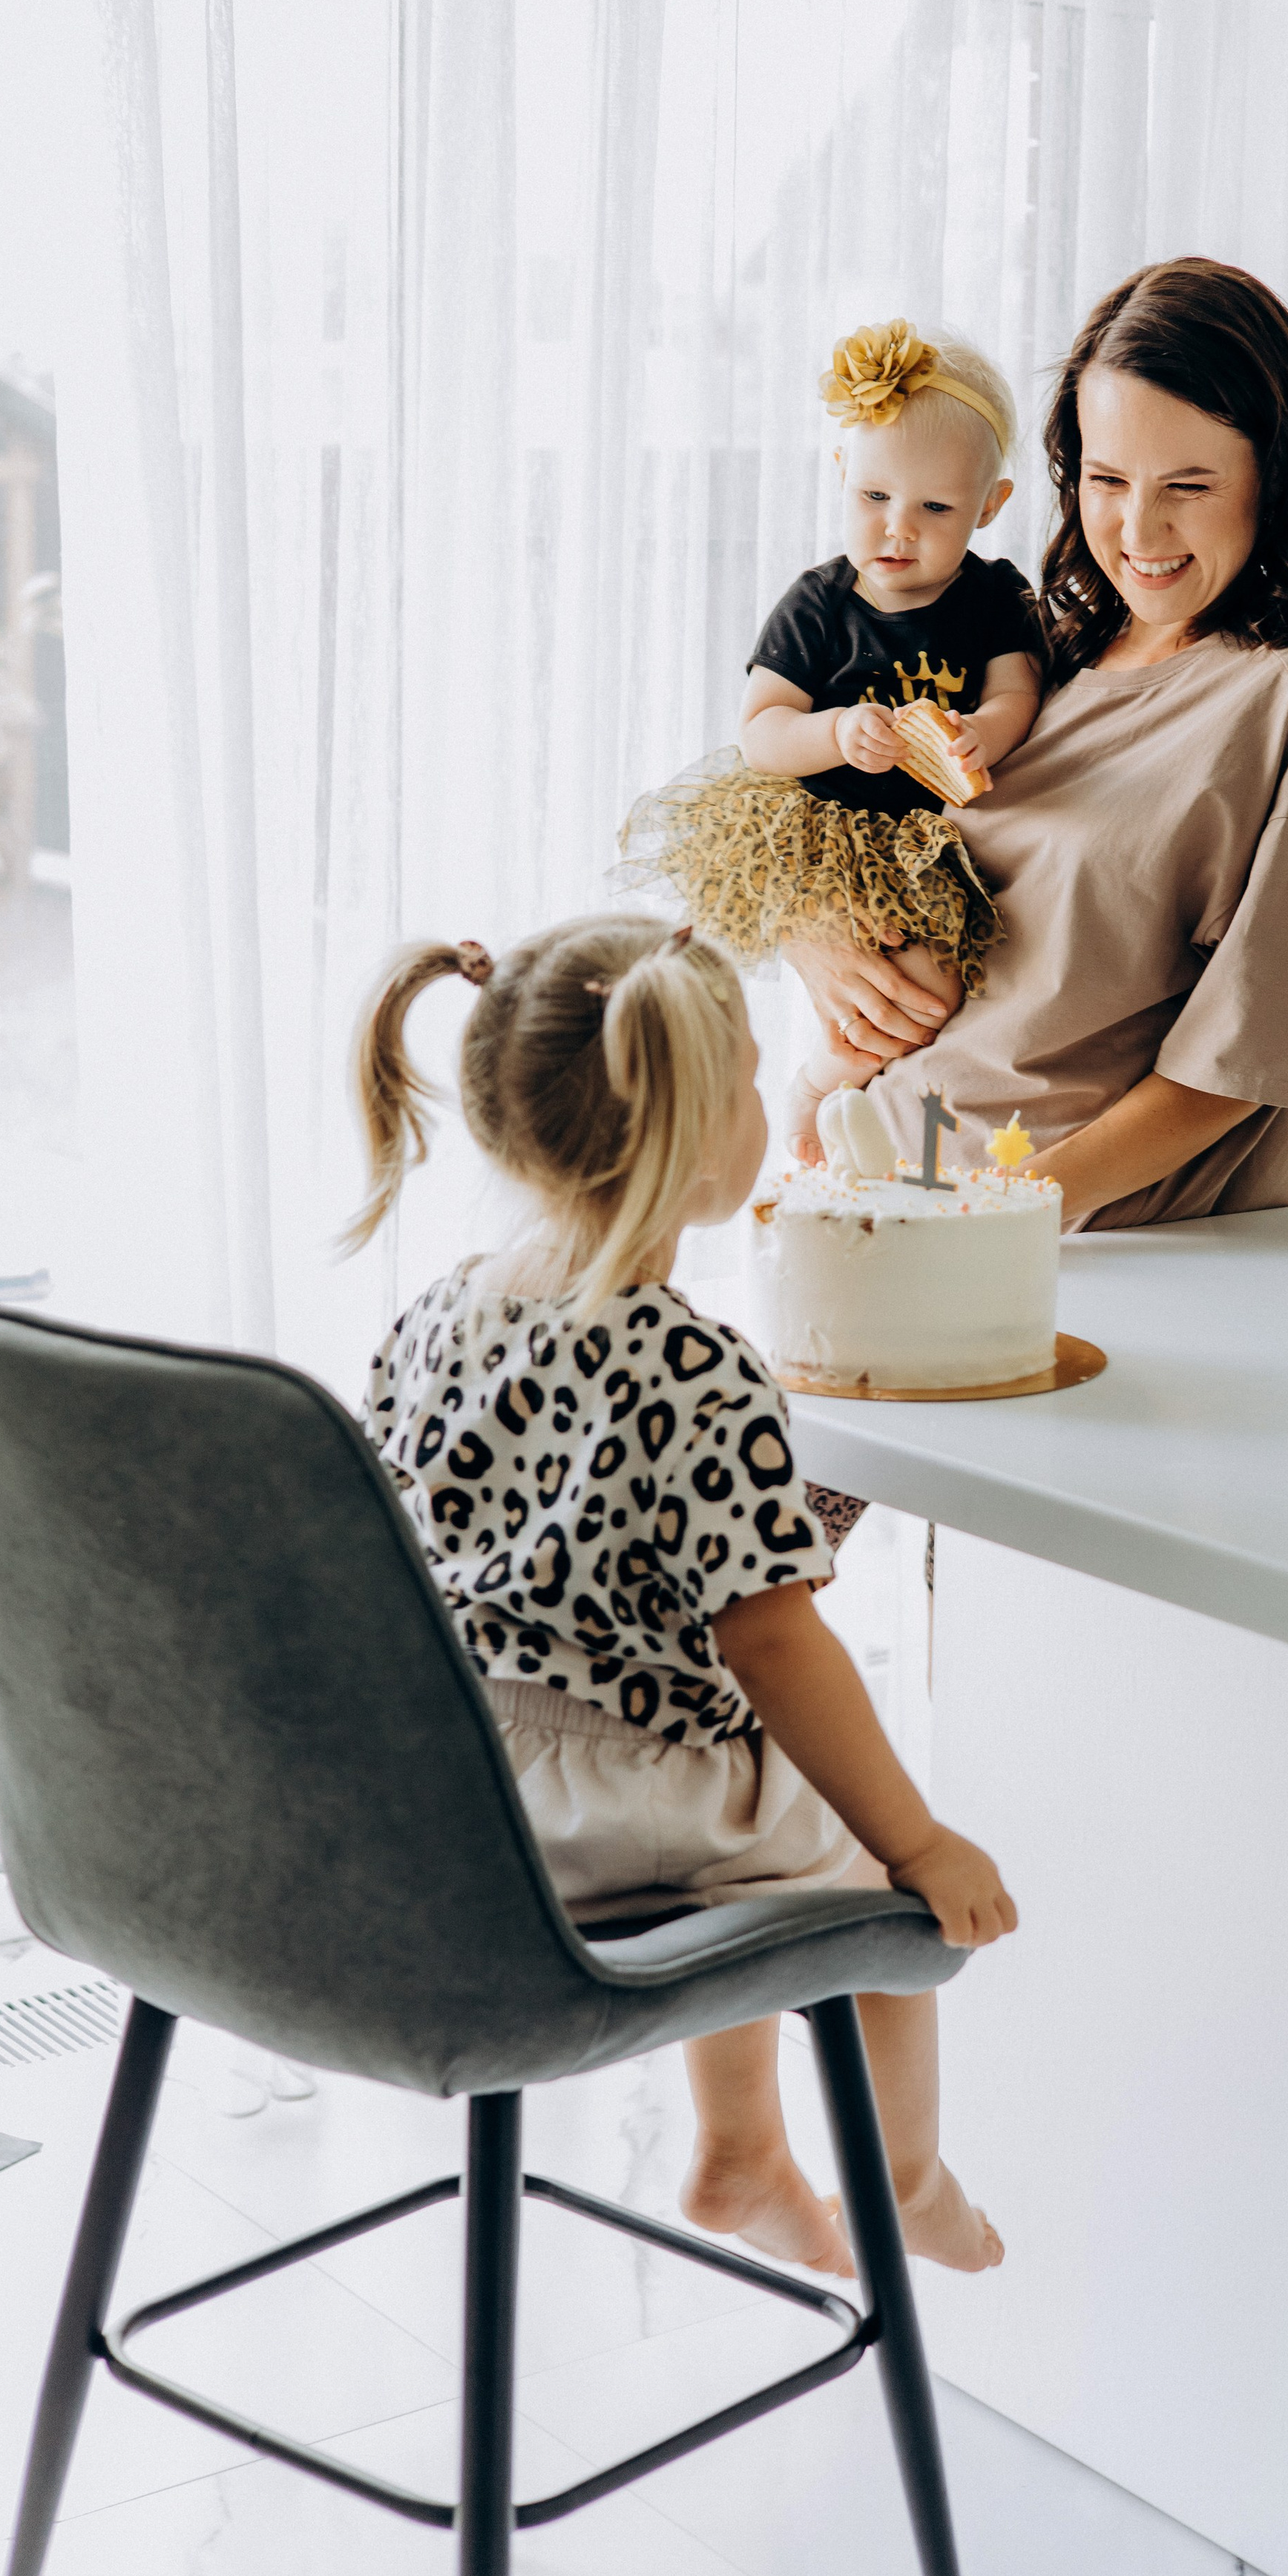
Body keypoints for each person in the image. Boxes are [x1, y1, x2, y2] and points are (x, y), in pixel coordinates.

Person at [342, 913, 1015, 2276]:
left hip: (460, 1782)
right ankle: (909, 2171)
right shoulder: (697, 1365)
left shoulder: (435, 1315)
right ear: (703, 1134)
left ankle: (744, 2154)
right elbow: (770, 1637)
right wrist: (926, 1841)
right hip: (627, 1800)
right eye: (756, 1080)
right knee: (868, 1888)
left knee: (760, 1802)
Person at [785, 257, 1288, 1228]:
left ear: (1273, 476)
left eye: (1189, 485)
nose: (1138, 529)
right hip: (869, 1191)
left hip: (1078, 1257)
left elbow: (1240, 1066)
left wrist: (1002, 1222)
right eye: (1108, 479)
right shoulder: (1038, 652)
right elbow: (858, 826)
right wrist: (814, 943)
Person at [620, 321, 1042, 1151]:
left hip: (935, 839)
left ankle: (848, 1091)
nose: (898, 529)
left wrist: (980, 736)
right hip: (828, 835)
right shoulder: (819, 604)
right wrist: (838, 731)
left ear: (990, 506)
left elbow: (1017, 691)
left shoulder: (993, 597)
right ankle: (818, 1081)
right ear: (842, 471)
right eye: (875, 498)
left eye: (935, 508)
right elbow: (761, 734)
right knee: (869, 972)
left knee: (932, 983)